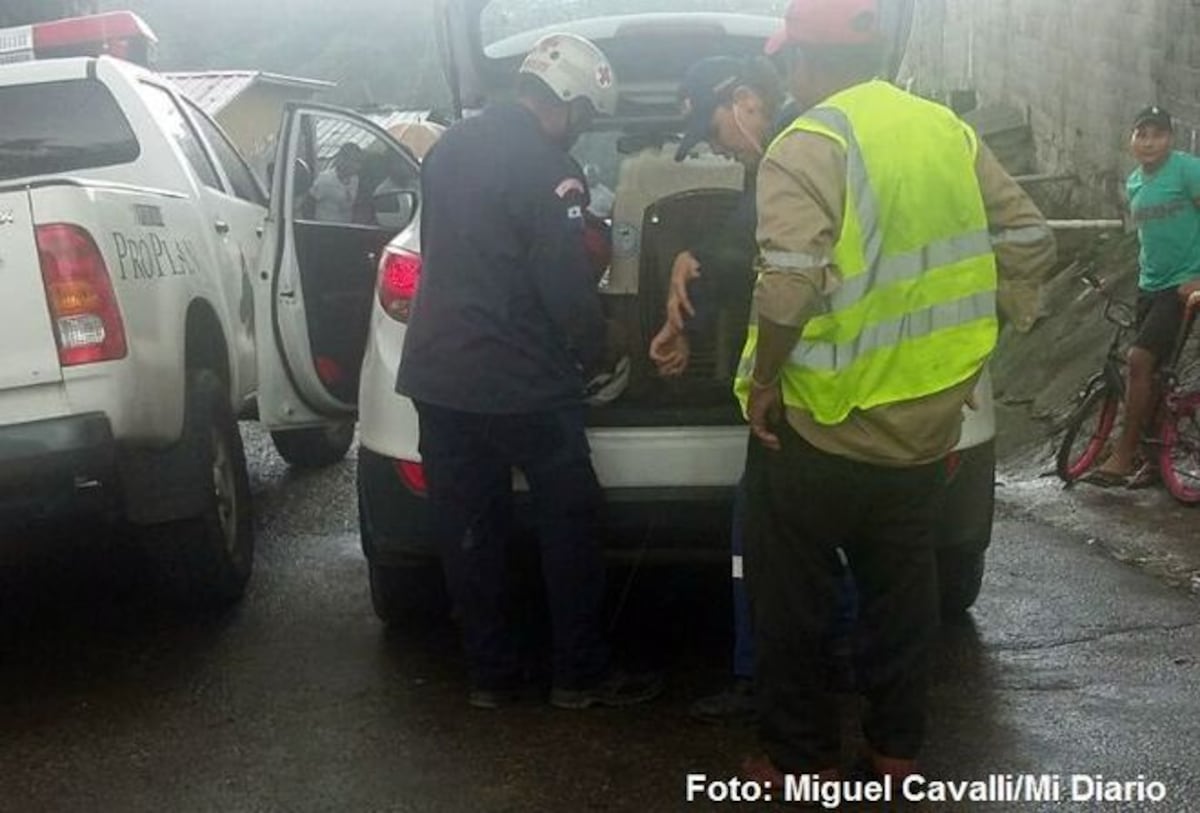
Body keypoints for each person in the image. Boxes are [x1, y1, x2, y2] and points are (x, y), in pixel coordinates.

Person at [738, 0, 1056, 782]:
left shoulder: (803, 144)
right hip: (923, 428)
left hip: (821, 424)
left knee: (794, 601)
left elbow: (787, 288)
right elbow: (1028, 236)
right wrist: (984, 341)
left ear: (802, 62)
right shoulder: (946, 130)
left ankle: (798, 758)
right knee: (903, 596)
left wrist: (764, 380)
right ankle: (895, 751)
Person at [395, 32, 661, 711]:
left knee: (470, 529)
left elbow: (445, 250)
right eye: (586, 116)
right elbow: (566, 285)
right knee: (569, 521)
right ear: (568, 104)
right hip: (523, 382)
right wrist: (600, 350)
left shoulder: (449, 148)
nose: (583, 129)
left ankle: (494, 677)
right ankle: (580, 672)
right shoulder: (553, 170)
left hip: (439, 375)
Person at [648, 55, 859, 726]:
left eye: (714, 130)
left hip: (805, 385)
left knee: (764, 535)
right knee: (832, 533)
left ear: (745, 100)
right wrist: (693, 286)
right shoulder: (812, 146)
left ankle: (765, 678)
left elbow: (751, 248)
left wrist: (691, 271)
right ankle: (840, 663)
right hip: (839, 382)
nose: (716, 147)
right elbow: (745, 244)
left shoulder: (795, 149)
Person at [1087, 106, 1200, 487]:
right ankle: (1154, 460)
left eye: (1157, 134)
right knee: (1152, 374)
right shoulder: (1135, 182)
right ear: (1131, 140)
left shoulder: (1187, 170)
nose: (1149, 142)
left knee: (1138, 361)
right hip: (1149, 286)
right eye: (1141, 134)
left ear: (1171, 138)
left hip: (1182, 288)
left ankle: (1123, 453)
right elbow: (1149, 237)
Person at [309, 143, 362, 223]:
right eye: (350, 159)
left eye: (357, 161)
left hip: (345, 229)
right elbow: (308, 203)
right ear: (341, 159)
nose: (354, 165)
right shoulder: (325, 180)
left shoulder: (355, 180)